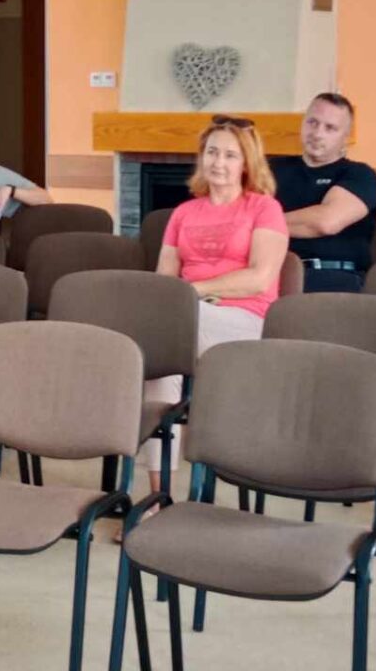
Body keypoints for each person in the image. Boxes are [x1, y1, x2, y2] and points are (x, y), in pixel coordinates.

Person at [143, 115, 289, 516]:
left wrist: (194, 292)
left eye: (229, 155)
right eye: (212, 152)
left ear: (246, 163)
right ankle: (160, 498)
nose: (218, 162)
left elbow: (259, 279)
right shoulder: (183, 213)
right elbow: (164, 278)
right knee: (160, 370)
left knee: (163, 338)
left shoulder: (265, 209)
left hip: (244, 319)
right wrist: (180, 299)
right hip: (186, 319)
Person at [274, 92, 376, 292]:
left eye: (330, 128)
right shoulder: (271, 169)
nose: (317, 133)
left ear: (345, 137)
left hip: (332, 278)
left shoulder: (359, 174)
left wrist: (257, 224)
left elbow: (325, 222)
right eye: (312, 122)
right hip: (272, 272)